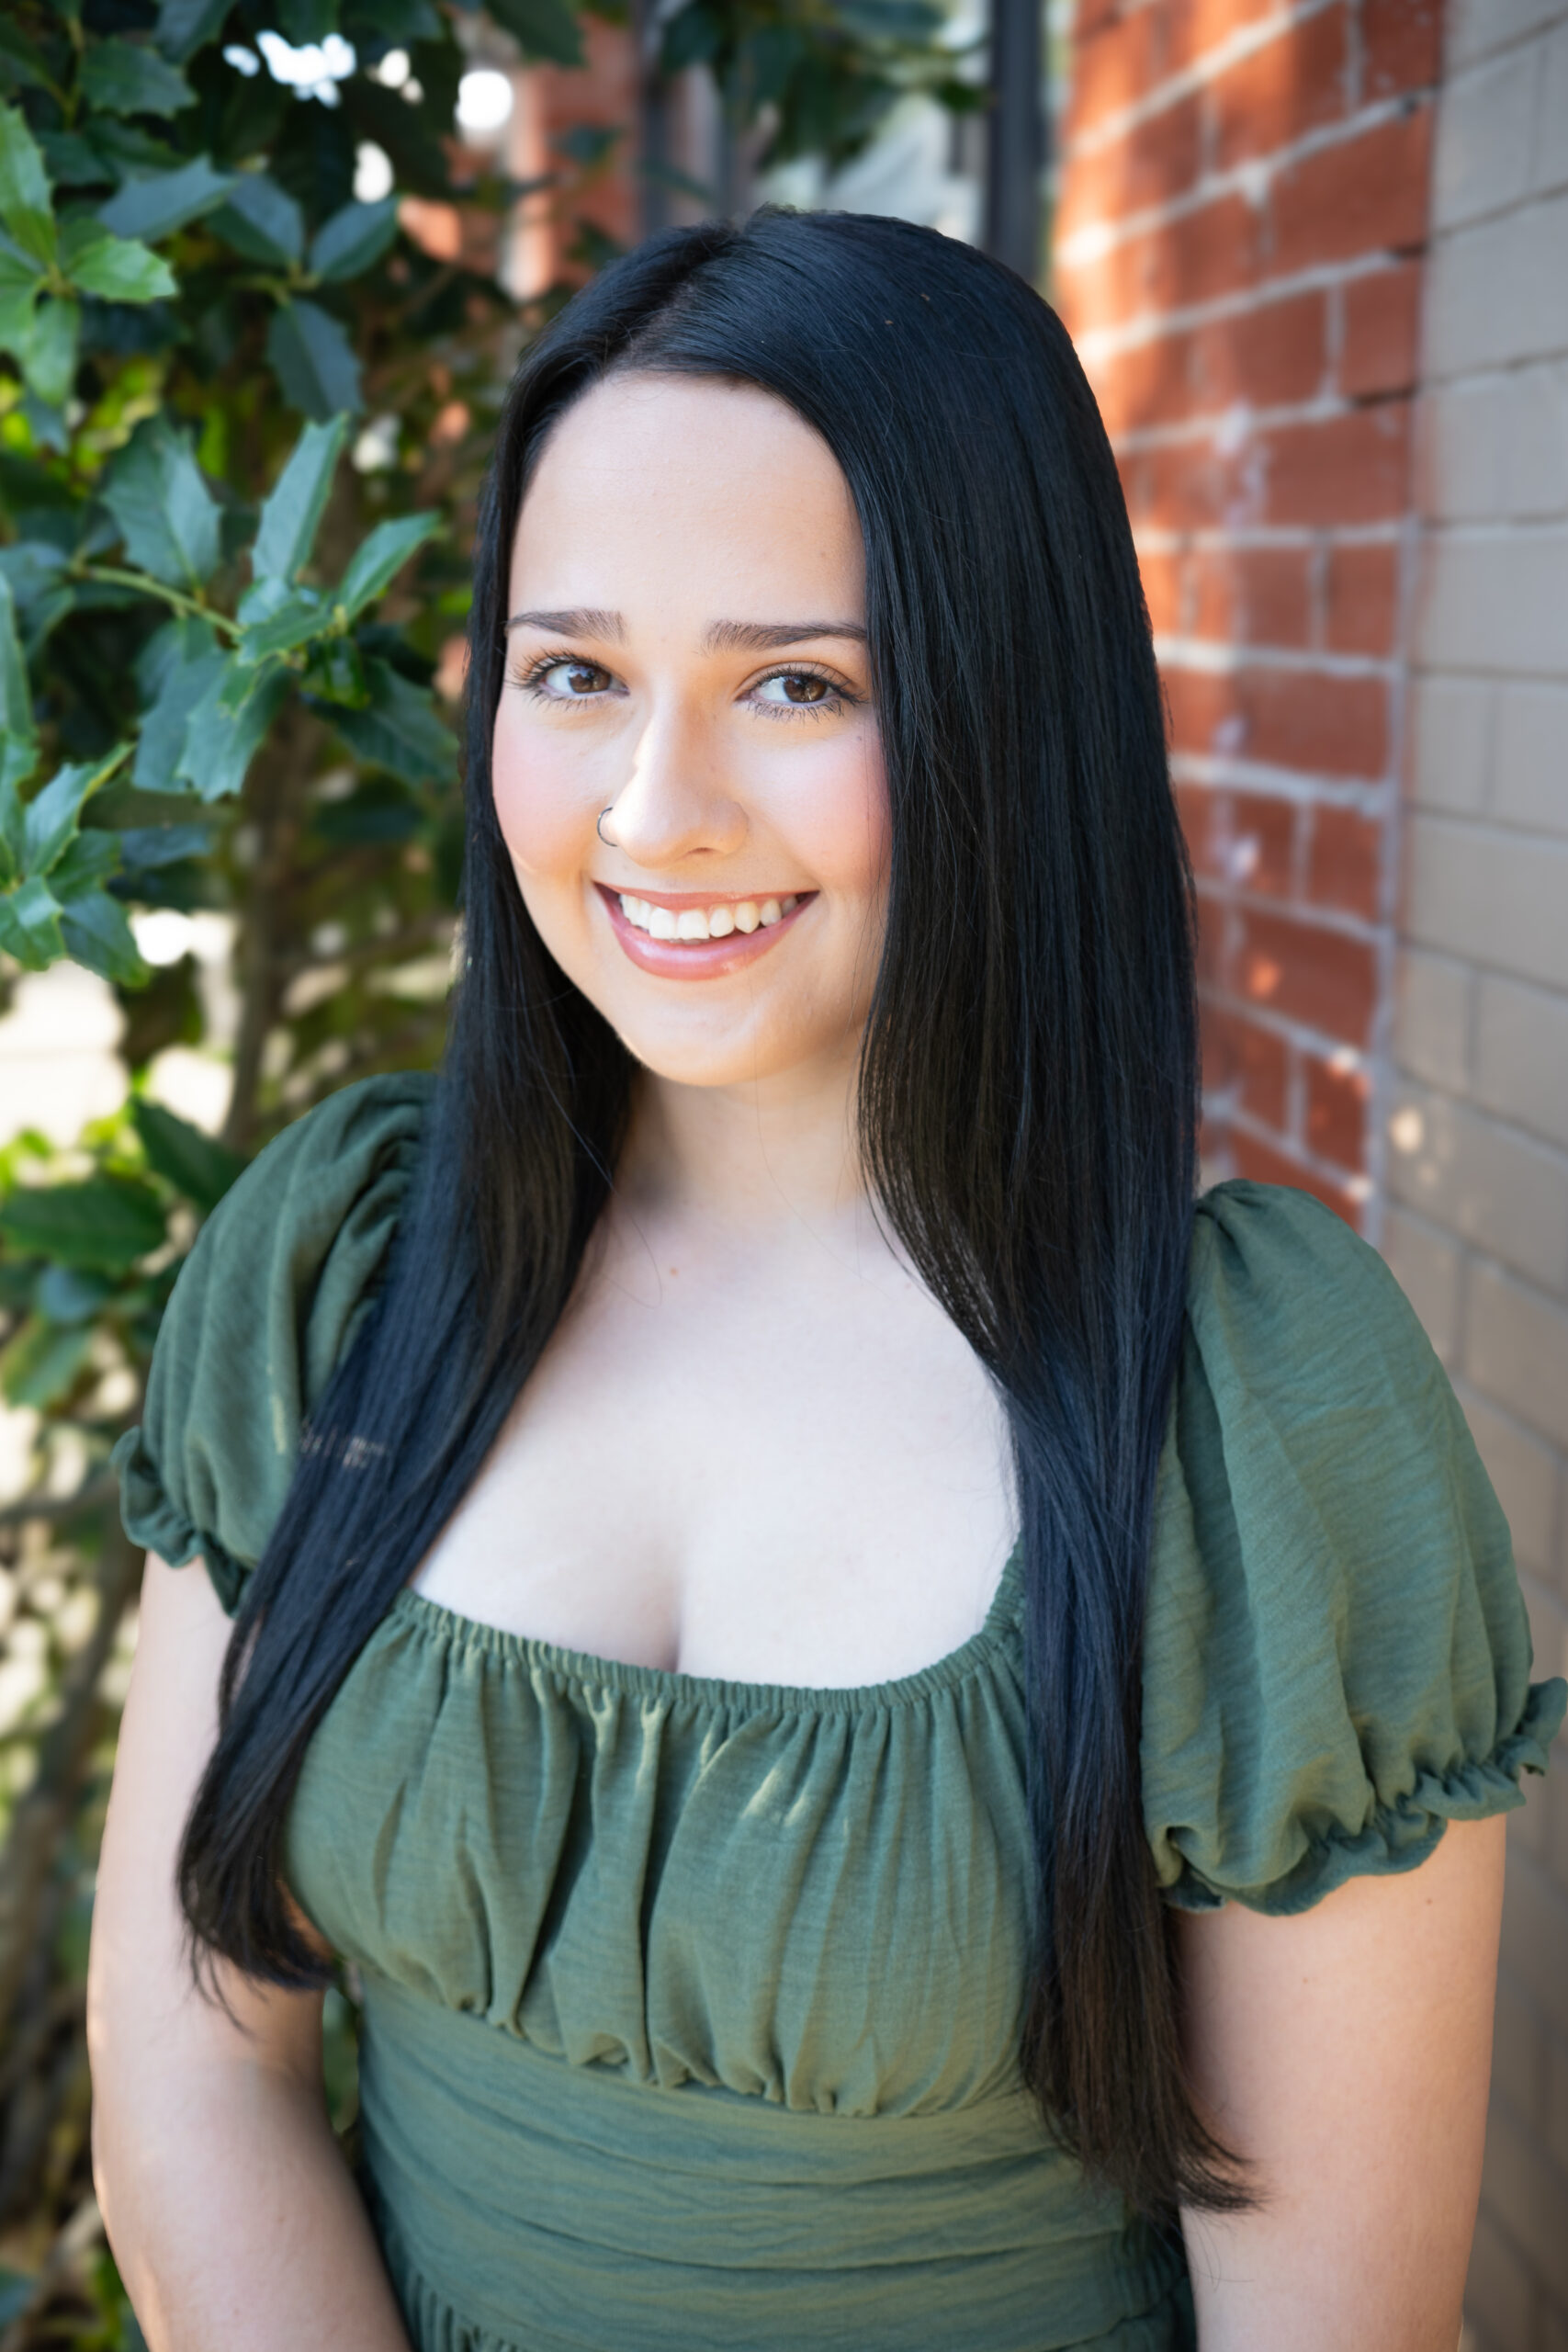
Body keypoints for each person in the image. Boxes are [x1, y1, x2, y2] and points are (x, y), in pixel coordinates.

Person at [87, 209, 1562, 2352]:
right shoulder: (343, 1267)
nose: (653, 808)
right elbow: (193, 2070)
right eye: (575, 671)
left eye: (794, 682)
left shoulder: (1237, 1409)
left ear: (998, 710)